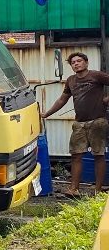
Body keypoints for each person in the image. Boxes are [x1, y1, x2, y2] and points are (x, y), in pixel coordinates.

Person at [42, 52, 109, 196]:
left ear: (86, 62)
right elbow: (62, 100)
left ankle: (98, 189)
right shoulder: (71, 80)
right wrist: (47, 114)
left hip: (98, 121)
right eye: (73, 62)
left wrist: (107, 99)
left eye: (79, 61)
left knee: (98, 155)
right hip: (79, 124)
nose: (76, 64)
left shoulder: (96, 75)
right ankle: (74, 189)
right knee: (76, 155)